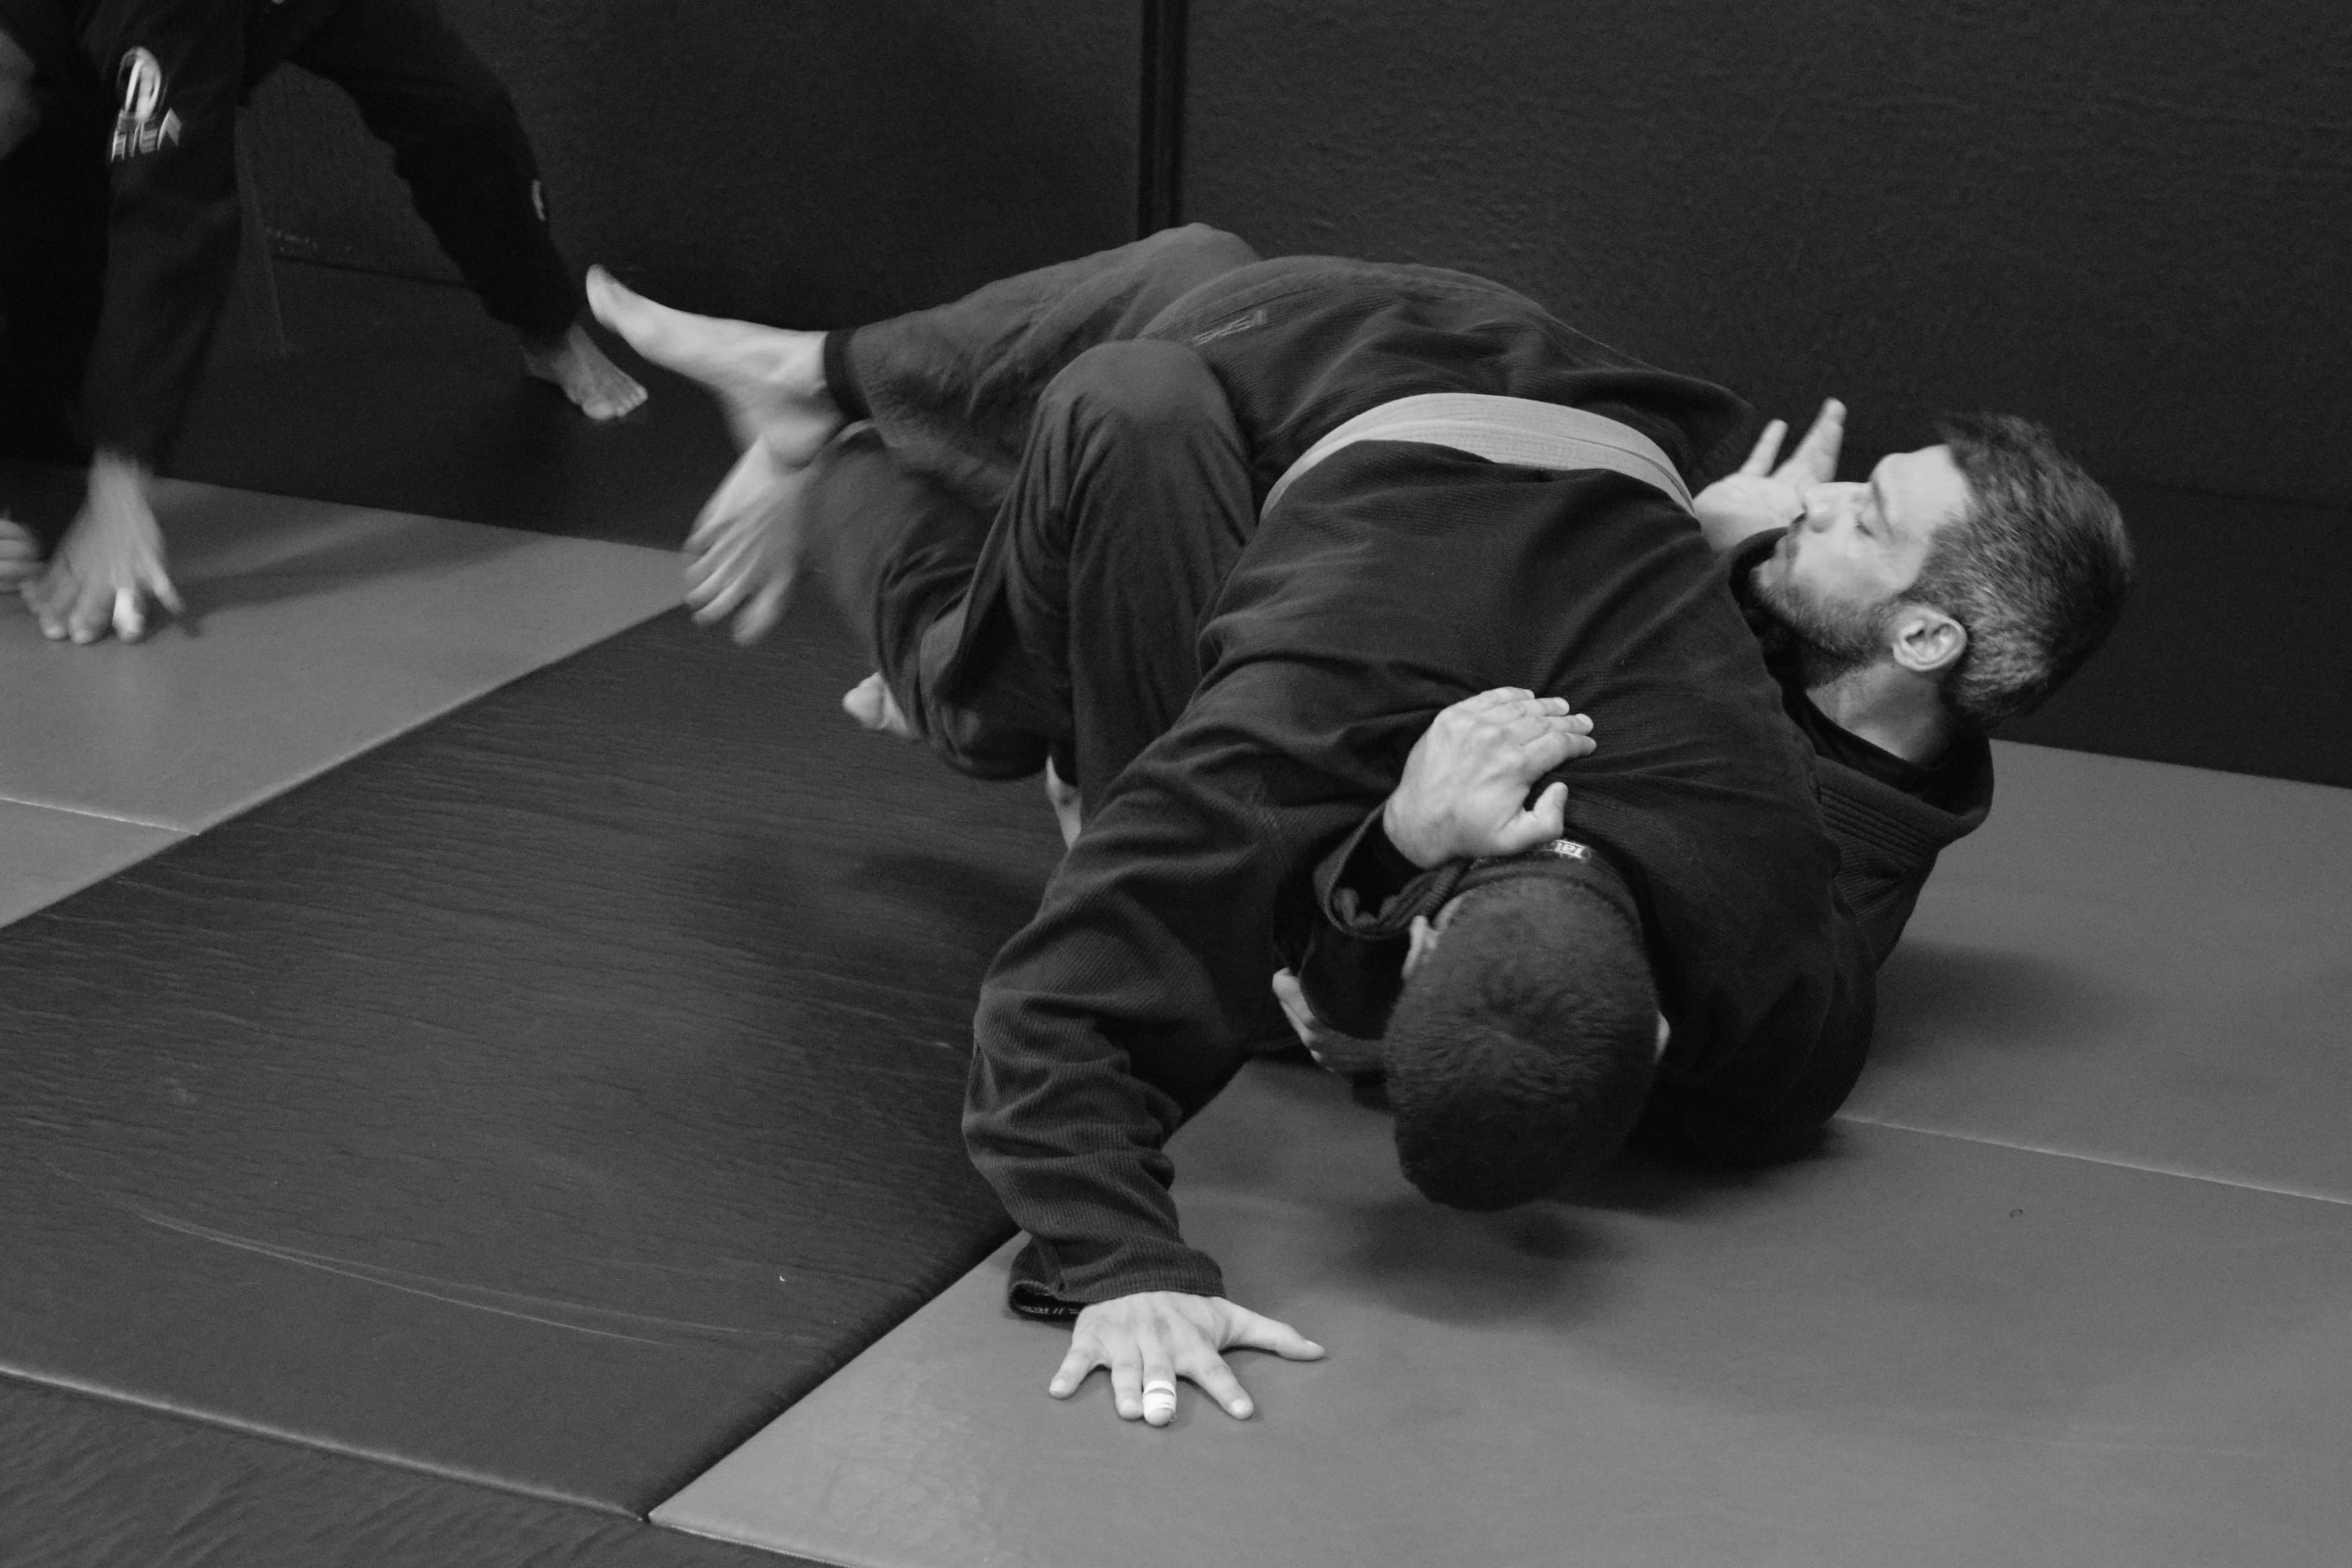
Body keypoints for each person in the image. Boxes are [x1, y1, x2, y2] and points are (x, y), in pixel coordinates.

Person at [586, 224, 2124, 1427]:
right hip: (1395, 620)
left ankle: (887, 530)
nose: (1812, 496)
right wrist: (1694, 552)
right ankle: (838, 408)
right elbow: (1748, 1053)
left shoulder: (1789, 874)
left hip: (1292, 882)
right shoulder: (1741, 759)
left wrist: (1387, 852)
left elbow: (1108, 1001)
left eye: (1860, 517)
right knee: (1184, 290)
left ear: (1923, 641)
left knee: (1123, 402)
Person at [0, 0, 646, 644]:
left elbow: (175, 220)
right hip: (74, 44)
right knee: (49, 209)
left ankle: (547, 330)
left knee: (459, 111)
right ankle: (42, 467)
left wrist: (121, 488)